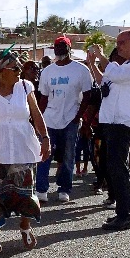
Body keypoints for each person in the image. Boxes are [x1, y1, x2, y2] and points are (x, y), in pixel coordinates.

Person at [0, 50, 51, 255]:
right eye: (14, 68)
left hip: (22, 146)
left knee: (25, 192)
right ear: (1, 70)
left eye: (19, 68)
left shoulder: (26, 86)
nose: (18, 71)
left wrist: (45, 138)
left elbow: (36, 114)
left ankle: (25, 226)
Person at [87, 30, 130, 231]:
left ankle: (125, 215)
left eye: (122, 42)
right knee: (113, 166)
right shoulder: (125, 65)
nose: (119, 46)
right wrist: (92, 64)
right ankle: (123, 211)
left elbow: (116, 75)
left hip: (124, 123)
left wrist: (101, 56)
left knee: (118, 167)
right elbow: (103, 81)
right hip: (112, 122)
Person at [35, 36, 92, 203]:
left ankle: (64, 188)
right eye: (57, 47)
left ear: (69, 49)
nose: (60, 50)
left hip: (70, 120)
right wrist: (38, 120)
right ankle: (41, 189)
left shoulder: (81, 70)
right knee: (44, 154)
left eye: (63, 47)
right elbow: (43, 98)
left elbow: (88, 95)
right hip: (49, 120)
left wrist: (78, 117)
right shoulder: (47, 71)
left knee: (68, 156)